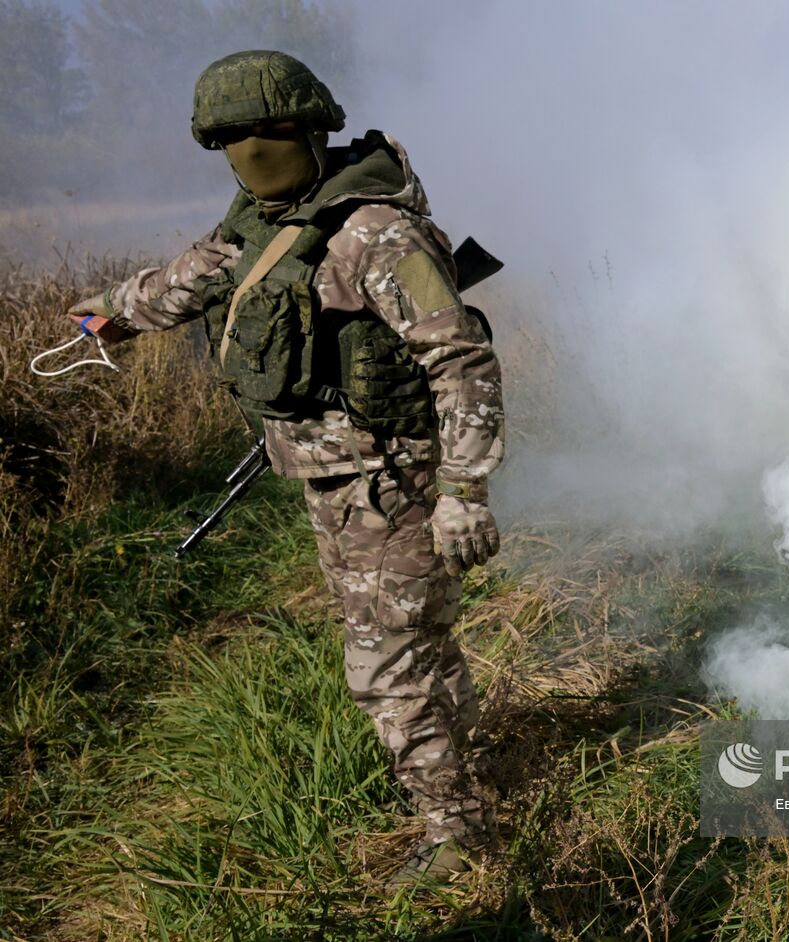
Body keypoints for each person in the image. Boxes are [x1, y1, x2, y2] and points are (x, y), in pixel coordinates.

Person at [66, 49, 505, 884]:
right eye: (232, 138)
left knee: (388, 666)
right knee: (415, 651)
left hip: (394, 483)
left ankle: (456, 840)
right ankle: (461, 796)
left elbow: (462, 360)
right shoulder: (265, 221)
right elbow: (187, 280)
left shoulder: (378, 233)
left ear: (309, 129)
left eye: (266, 133)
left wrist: (463, 492)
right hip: (335, 483)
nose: (250, 150)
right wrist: (111, 315)